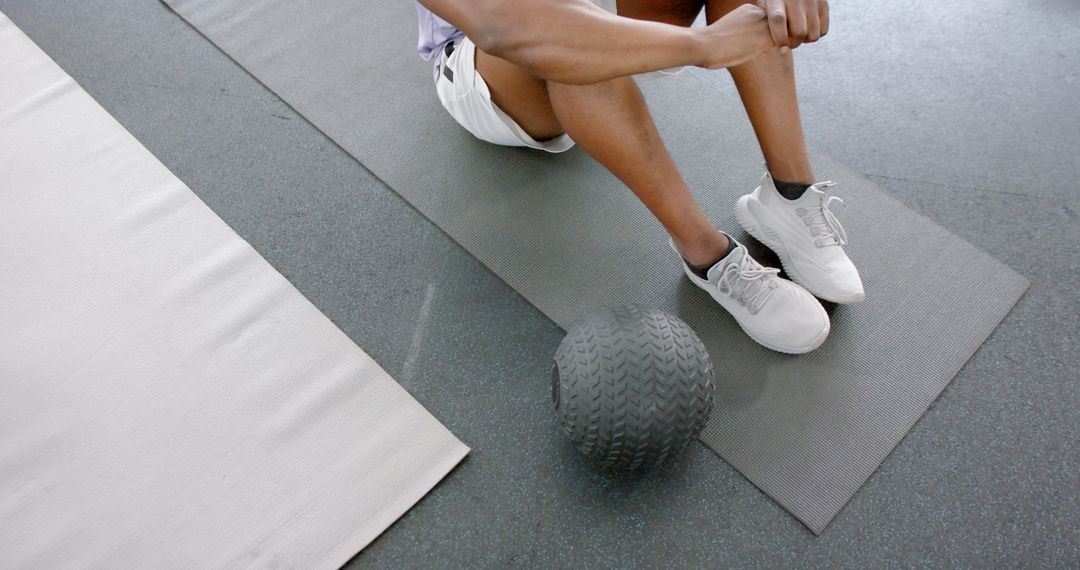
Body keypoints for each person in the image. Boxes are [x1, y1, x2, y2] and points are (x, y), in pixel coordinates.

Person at [416, 0, 863, 354]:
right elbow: (502, 24)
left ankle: (789, 195)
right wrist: (704, 46)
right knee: (571, 52)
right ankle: (707, 256)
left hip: (582, 12)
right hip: (487, 57)